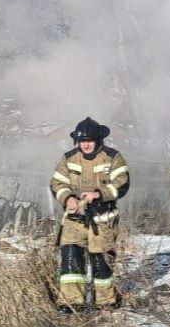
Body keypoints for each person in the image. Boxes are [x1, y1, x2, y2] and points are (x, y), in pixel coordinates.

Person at [50, 117, 129, 311]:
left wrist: (99, 194)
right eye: (82, 141)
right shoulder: (68, 158)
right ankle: (71, 302)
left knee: (101, 260)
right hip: (74, 219)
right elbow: (57, 183)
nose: (85, 145)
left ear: (98, 140)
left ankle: (105, 302)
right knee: (71, 258)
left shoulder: (112, 157)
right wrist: (67, 198)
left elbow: (122, 183)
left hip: (102, 221)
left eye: (89, 141)